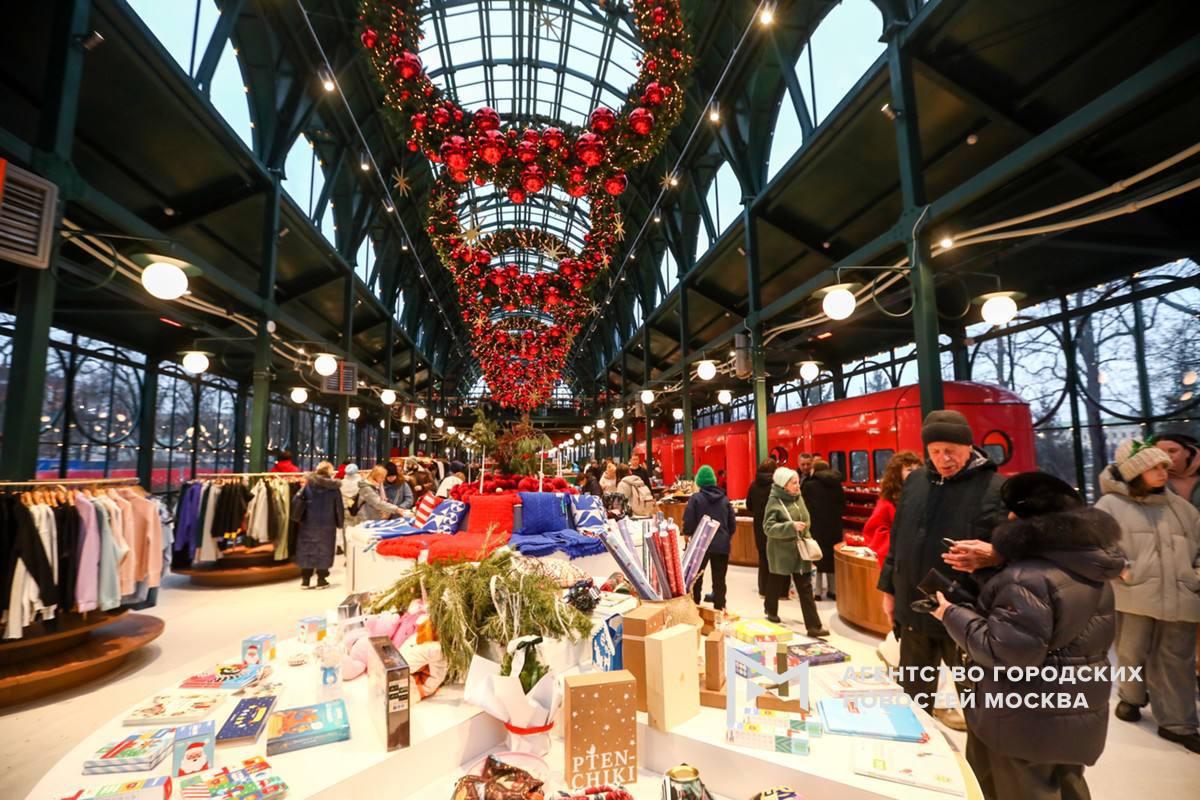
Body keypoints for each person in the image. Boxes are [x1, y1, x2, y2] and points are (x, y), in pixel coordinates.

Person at [933, 472, 1125, 799]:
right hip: (1073, 711)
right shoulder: (1090, 567)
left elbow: (1006, 652)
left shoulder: (1026, 577)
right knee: (1068, 785)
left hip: (1021, 718)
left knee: (1012, 787)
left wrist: (950, 613)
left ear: (1021, 520)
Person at [877, 410, 1007, 721]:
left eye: (951, 450)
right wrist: (889, 590)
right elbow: (898, 540)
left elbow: (1015, 548)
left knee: (980, 709)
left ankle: (980, 767)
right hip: (915, 611)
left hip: (966, 618)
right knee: (912, 703)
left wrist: (996, 553)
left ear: (969, 447)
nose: (942, 459)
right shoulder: (916, 483)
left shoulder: (996, 488)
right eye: (935, 451)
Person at [1094, 439, 1200, 754]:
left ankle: (1178, 724)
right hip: (1133, 595)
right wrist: (1124, 571)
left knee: (1177, 659)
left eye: (1165, 466)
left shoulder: (1182, 508)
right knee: (1130, 651)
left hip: (1182, 595)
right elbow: (1097, 549)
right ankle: (1131, 697)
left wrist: (1195, 576)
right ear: (1136, 472)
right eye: (1154, 466)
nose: (1163, 471)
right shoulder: (1110, 507)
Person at [763, 467, 828, 636]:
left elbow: (806, 520)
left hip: (801, 550)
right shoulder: (774, 501)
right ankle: (771, 609)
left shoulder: (798, 498)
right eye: (794, 483)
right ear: (783, 485)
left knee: (805, 587)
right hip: (781, 551)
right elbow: (768, 527)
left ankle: (814, 626)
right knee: (776, 580)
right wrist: (790, 527)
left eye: (798, 482)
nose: (798, 486)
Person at [683, 465, 738, 612]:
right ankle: (719, 608)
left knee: (696, 577)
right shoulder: (724, 499)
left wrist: (687, 534)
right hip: (721, 545)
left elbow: (689, 520)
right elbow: (732, 523)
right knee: (719, 579)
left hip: (701, 545)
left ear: (699, 482)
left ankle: (694, 606)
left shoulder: (696, 499)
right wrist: (726, 537)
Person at [862, 451, 924, 565]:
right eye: (909, 470)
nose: (916, 473)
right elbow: (874, 531)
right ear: (897, 474)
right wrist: (905, 543)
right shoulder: (888, 501)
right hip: (901, 561)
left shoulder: (926, 494)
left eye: (918, 469)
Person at [294, 461, 342, 590]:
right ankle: (321, 579)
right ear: (329, 471)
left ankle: (305, 580)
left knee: (308, 548)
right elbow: (338, 506)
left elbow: (297, 500)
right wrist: (340, 522)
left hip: (309, 522)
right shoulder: (334, 487)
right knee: (324, 550)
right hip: (328, 523)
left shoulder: (309, 485)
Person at [802, 458, 845, 601]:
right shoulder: (837, 485)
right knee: (831, 559)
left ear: (815, 470)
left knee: (817, 558)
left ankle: (818, 591)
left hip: (816, 527)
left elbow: (804, 507)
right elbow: (842, 506)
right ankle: (833, 590)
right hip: (834, 527)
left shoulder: (809, 485)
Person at [745, 457, 778, 597]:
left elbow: (749, 505)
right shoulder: (776, 487)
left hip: (759, 525)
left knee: (763, 557)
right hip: (775, 526)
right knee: (776, 559)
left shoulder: (753, 485)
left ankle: (763, 589)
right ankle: (777, 591)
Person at [1155, 432, 1200, 509]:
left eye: (1172, 451)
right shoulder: (1149, 480)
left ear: (1187, 453)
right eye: (1160, 452)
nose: (1166, 456)